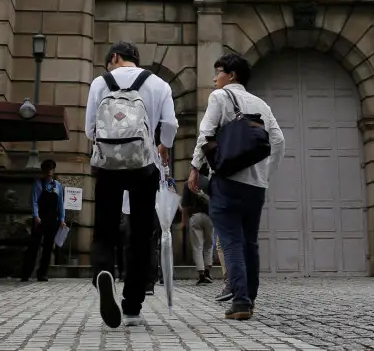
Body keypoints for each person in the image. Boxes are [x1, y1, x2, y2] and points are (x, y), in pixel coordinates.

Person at [86, 41, 177, 329]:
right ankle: (132, 307)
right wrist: (163, 146)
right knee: (140, 235)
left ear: (114, 57)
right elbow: (171, 124)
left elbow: (90, 129)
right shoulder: (159, 84)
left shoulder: (100, 83)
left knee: (104, 230)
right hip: (143, 165)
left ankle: (103, 272)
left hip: (107, 166)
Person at [189, 52, 285, 321]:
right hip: (256, 186)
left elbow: (205, 134)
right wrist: (266, 174)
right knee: (250, 242)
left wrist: (195, 168)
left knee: (230, 241)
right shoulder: (261, 104)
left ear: (231, 75)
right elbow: (278, 141)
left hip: (227, 182)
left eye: (218, 72)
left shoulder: (219, 97)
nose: (214, 78)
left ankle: (241, 301)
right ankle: (249, 299)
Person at [20, 159, 66, 282]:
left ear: (53, 170)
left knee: (48, 247)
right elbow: (34, 200)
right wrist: (36, 216)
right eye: (47, 169)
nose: (49, 171)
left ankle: (42, 273)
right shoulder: (38, 183)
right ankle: (26, 273)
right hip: (40, 218)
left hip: (52, 219)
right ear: (44, 170)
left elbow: (60, 204)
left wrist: (62, 219)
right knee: (34, 246)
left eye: (51, 169)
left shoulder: (58, 186)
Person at [182, 165, 215, 284]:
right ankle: (208, 271)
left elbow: (184, 205)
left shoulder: (188, 183)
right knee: (209, 245)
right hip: (209, 216)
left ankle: (201, 273)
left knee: (197, 246)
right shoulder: (210, 182)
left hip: (195, 216)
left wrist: (184, 221)